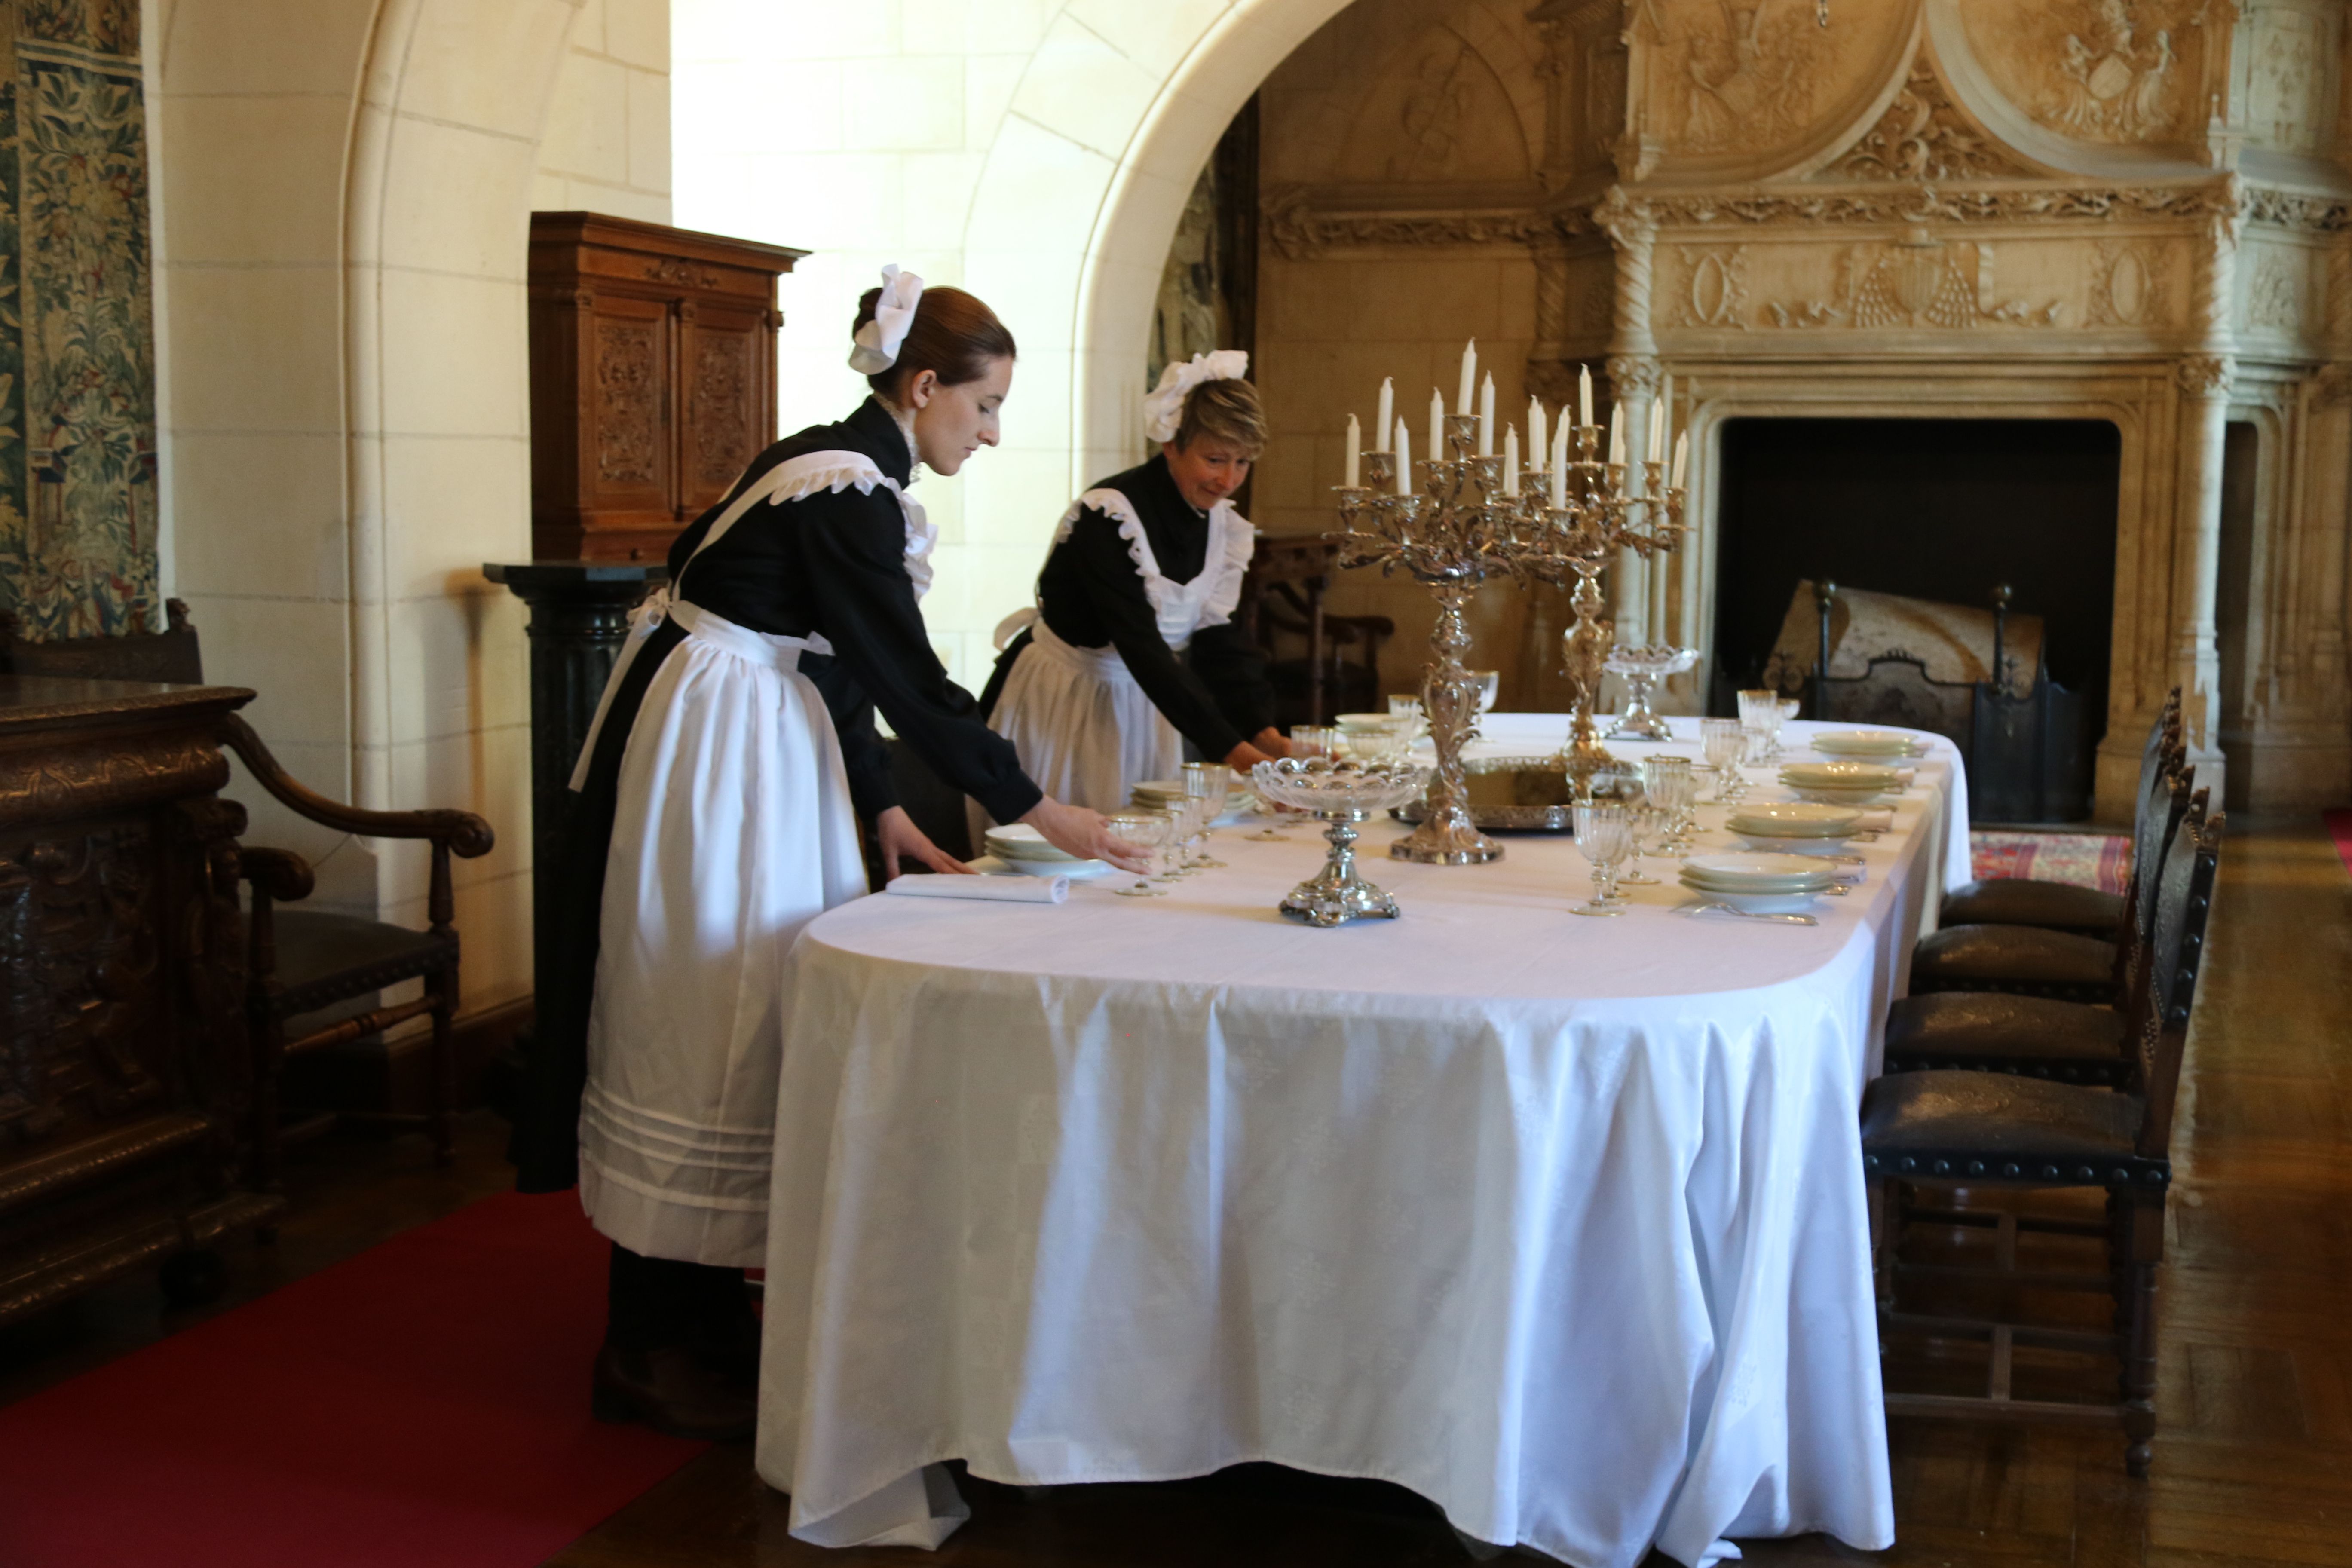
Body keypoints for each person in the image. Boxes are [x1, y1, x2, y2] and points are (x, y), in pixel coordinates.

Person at [508, 266, 1138, 1443]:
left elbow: (836, 657)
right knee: (700, 1009)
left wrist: (880, 804)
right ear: (922, 386)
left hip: (758, 731)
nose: (991, 433)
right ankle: (644, 1346)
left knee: (746, 1009)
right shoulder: (843, 486)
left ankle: (704, 1312)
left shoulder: (850, 475)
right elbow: (903, 673)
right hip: (721, 751)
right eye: (985, 406)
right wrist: (1040, 807)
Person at [977, 351, 1287, 821]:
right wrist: (1236, 754)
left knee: (1147, 839)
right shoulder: (1110, 516)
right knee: (1068, 837)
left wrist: (1264, 734)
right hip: (1071, 700)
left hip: (1150, 705)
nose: (1228, 480)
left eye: (1242, 462)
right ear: (1171, 444)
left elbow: (1220, 640)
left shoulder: (1223, 529)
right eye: (1215, 460)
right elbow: (1140, 645)